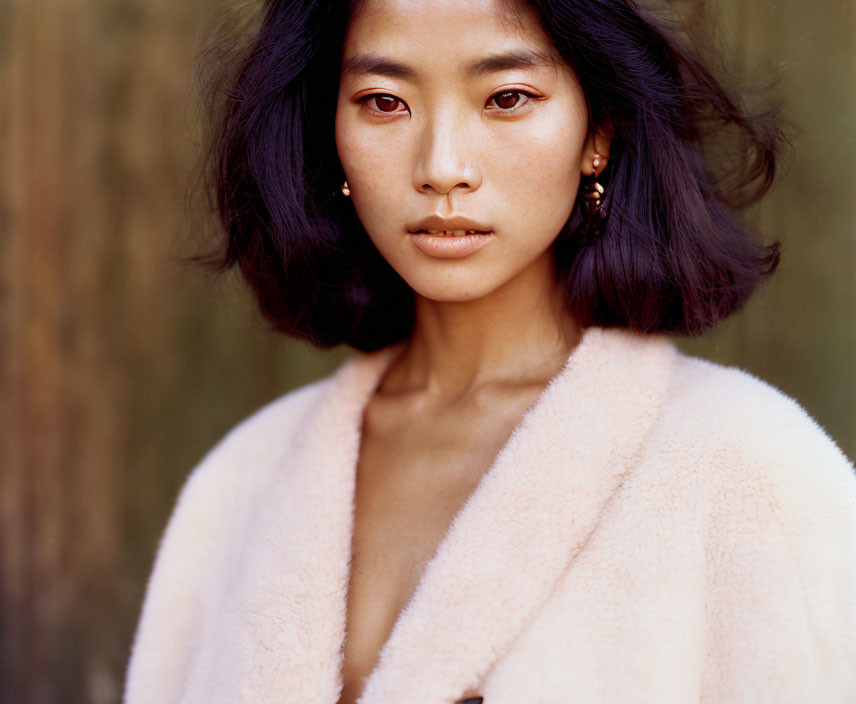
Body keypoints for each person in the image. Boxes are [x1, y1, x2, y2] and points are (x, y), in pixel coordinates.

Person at [123, 0, 856, 702]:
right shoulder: (239, 489)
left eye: (506, 98)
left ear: (597, 129)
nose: (442, 167)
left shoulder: (753, 473)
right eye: (384, 101)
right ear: (328, 128)